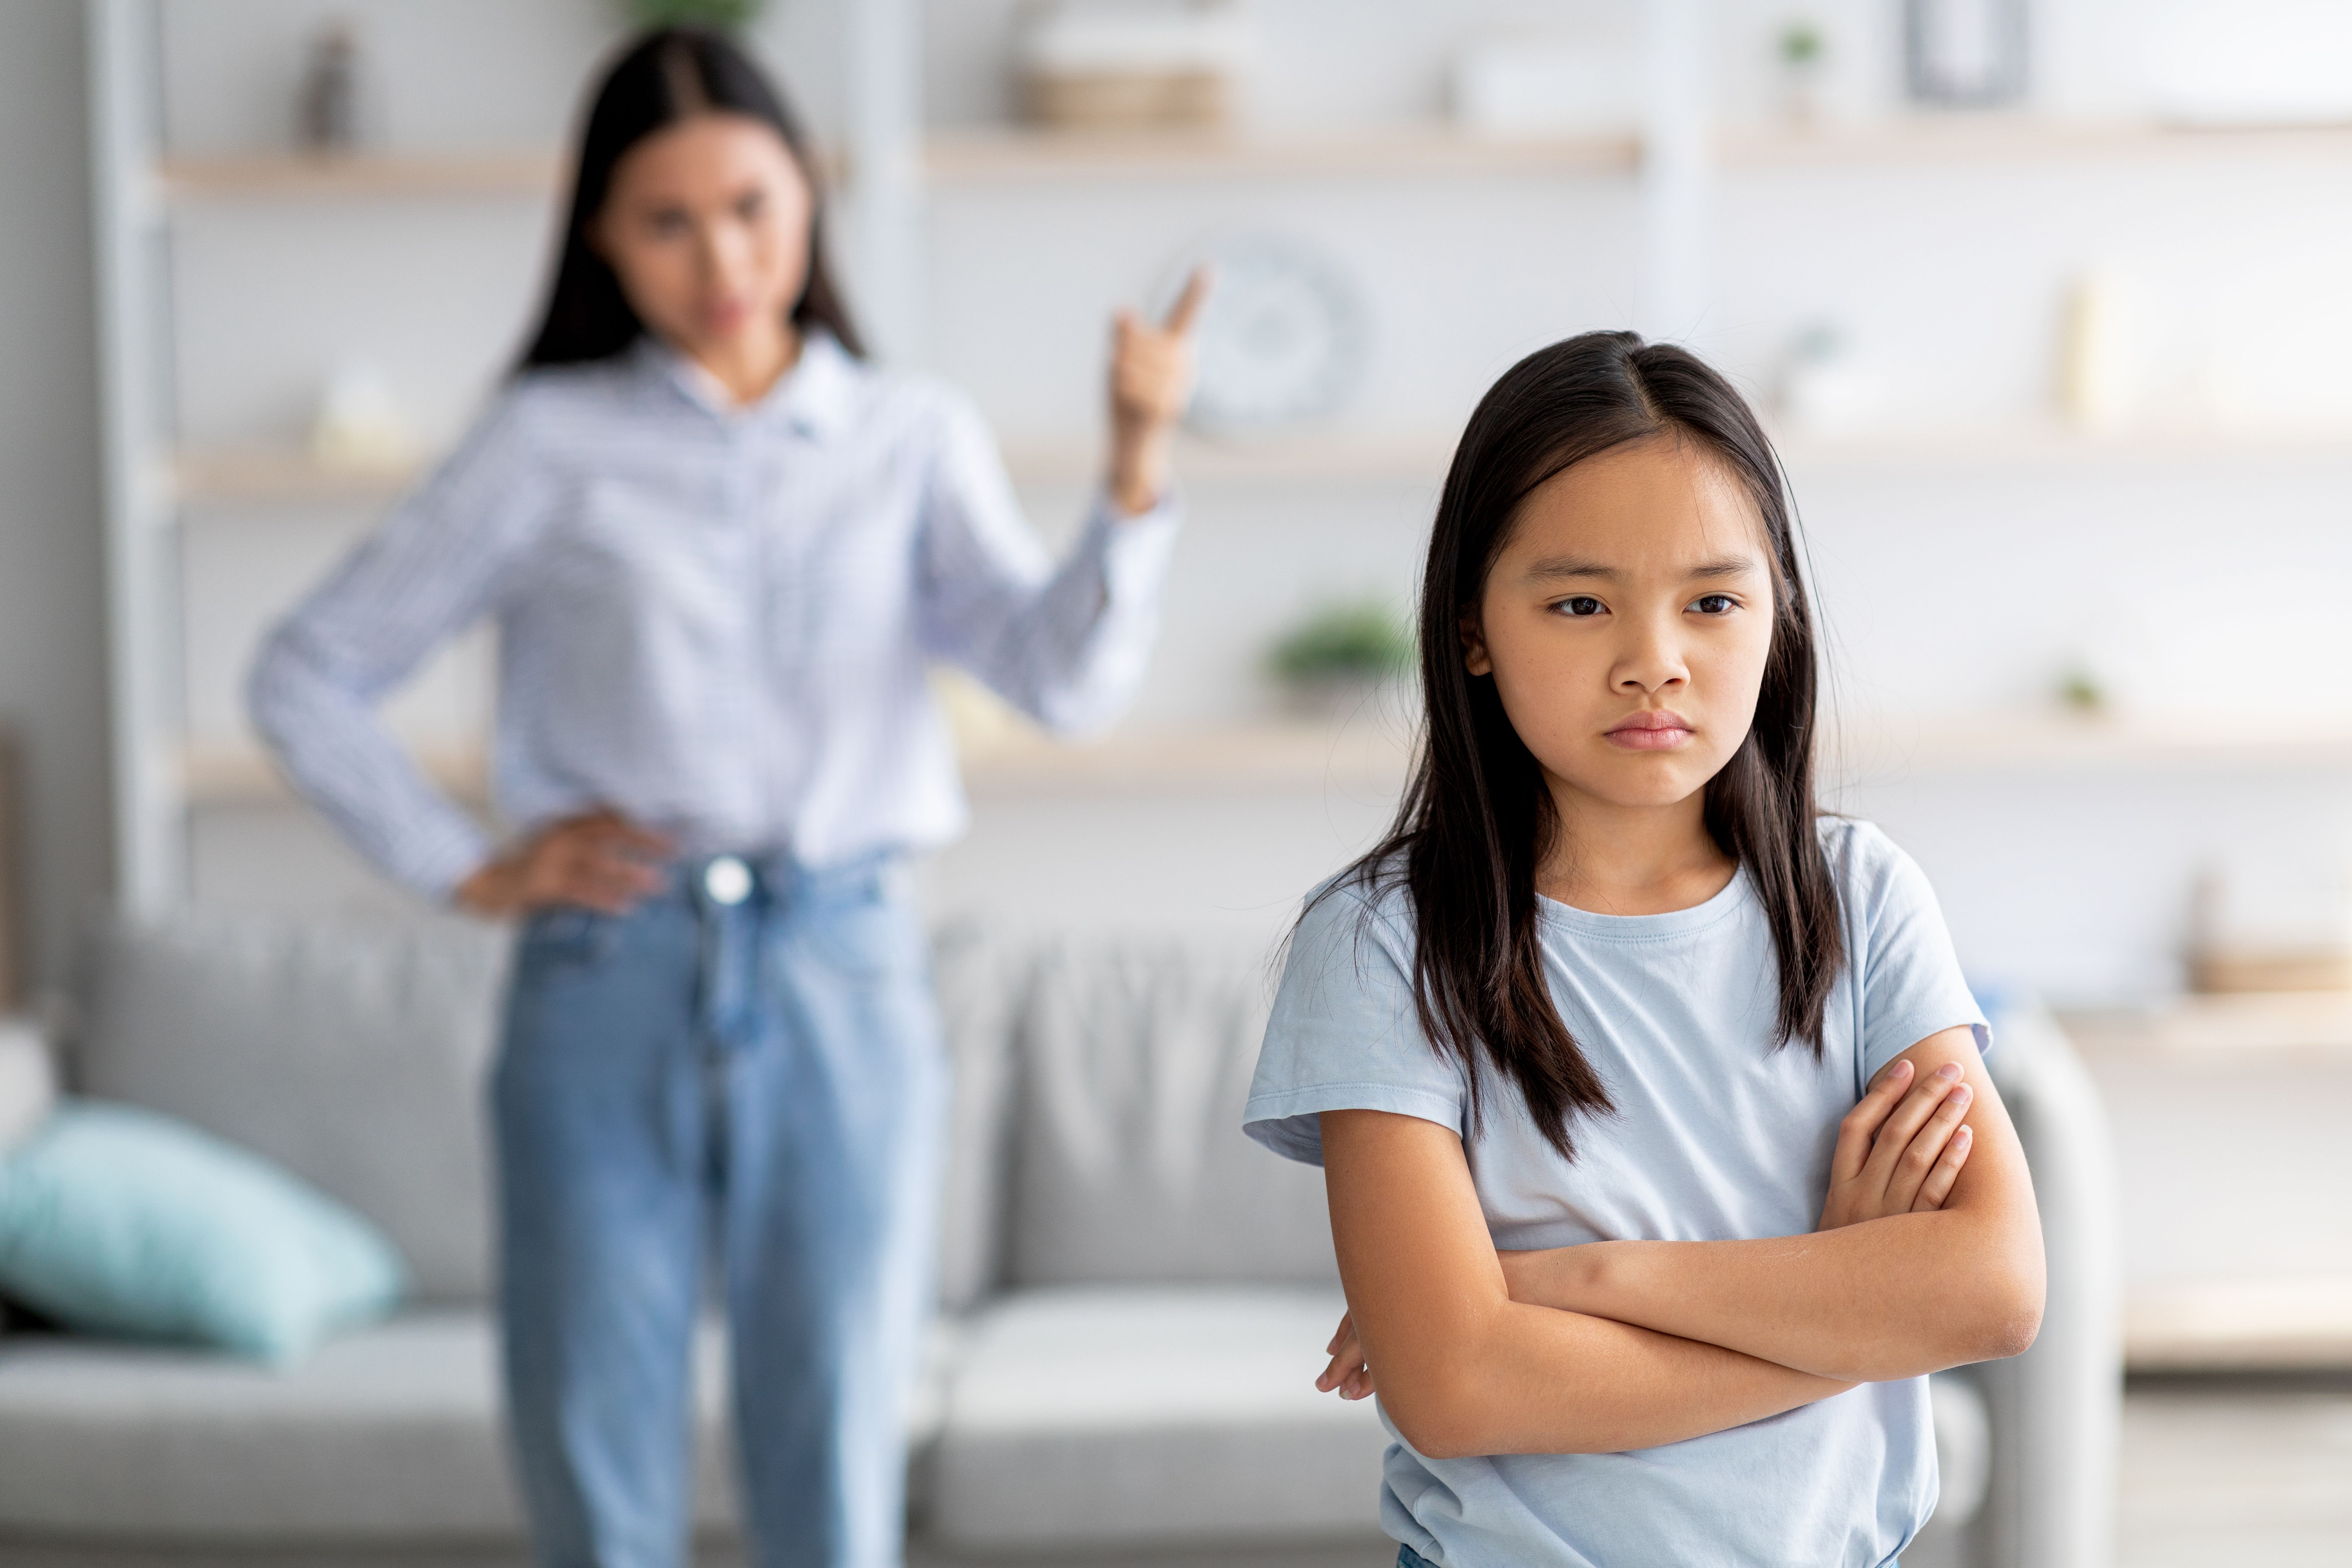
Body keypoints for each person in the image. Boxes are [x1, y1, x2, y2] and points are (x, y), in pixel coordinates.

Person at [249, 26, 1204, 1568]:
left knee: (832, 1430)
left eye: (754, 206)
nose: (723, 259)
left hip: (844, 962)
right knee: (590, 1426)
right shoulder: (543, 444)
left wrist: (1138, 464)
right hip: (605, 967)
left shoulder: (907, 437)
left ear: (810, 205)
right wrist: (465, 866)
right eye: (667, 220)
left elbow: (1064, 683)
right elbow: (307, 672)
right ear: (601, 238)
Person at [1242, 331, 2044, 1567]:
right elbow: (1457, 1386)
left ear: (1779, 616)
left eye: (1713, 602)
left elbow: (1989, 1292)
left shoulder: (1860, 900)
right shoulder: (1380, 944)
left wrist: (1578, 1284)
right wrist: (1842, 1302)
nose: (1653, 662)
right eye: (1579, 603)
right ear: (1471, 630)